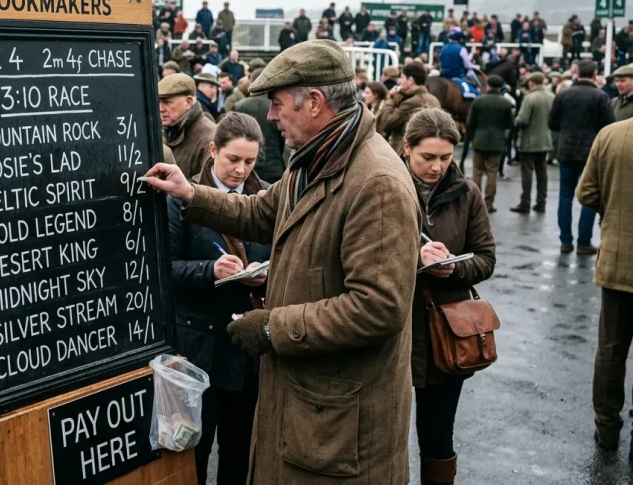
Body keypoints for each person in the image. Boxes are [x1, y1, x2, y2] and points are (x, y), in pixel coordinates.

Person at [141, 39, 420, 484]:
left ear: (314, 103)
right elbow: (261, 211)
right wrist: (190, 194)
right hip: (309, 401)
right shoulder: (313, 160)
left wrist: (273, 327)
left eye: (276, 104)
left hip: (339, 420)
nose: (269, 117)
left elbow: (378, 308)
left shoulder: (377, 183)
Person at [169, 113, 269, 485]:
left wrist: (265, 274)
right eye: (233, 159)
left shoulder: (267, 198)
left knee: (240, 451)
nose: (241, 170)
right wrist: (209, 271)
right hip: (198, 348)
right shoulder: (180, 200)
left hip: (247, 349)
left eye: (250, 161)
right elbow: (166, 270)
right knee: (193, 450)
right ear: (213, 150)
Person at [403, 108, 496, 485]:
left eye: (446, 157)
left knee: (438, 434)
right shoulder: (383, 184)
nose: (438, 166)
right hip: (394, 324)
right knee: (379, 434)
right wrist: (414, 259)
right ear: (406, 148)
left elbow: (486, 257)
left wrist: (454, 268)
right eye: (428, 157)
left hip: (446, 332)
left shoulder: (467, 192)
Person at [577, 112, 633, 455]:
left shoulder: (612, 134)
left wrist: (612, 215)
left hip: (618, 261)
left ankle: (607, 428)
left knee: (611, 351)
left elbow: (587, 193)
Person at [549, 60, 615, 254]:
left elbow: (552, 123)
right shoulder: (601, 96)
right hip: (591, 152)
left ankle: (565, 242)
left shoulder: (563, 94)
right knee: (590, 196)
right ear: (594, 74)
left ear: (576, 72)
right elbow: (609, 125)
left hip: (566, 150)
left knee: (565, 195)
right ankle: (584, 242)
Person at [466, 75, 514, 212]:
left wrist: (473, 135)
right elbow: (509, 124)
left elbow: (470, 122)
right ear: (500, 87)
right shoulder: (505, 103)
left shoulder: (478, 100)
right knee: (492, 173)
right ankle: (489, 203)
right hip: (497, 141)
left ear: (487, 85)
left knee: (477, 171)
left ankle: (475, 202)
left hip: (479, 140)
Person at [376, 62, 441, 154]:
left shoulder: (412, 102)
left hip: (404, 153)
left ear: (410, 80)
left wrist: (390, 99)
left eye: (402, 77)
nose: (399, 81)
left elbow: (387, 122)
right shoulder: (433, 99)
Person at [159, 73, 215, 179]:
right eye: (158, 102)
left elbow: (208, 185)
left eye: (167, 102)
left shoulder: (209, 138)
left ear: (188, 102)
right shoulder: (165, 130)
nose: (161, 109)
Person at [511, 72, 553, 214]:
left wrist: (515, 120)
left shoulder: (529, 98)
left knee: (527, 172)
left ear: (531, 83)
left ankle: (525, 202)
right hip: (545, 139)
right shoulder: (551, 96)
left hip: (529, 140)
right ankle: (541, 202)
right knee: (542, 172)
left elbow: (522, 120)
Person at [235, 68, 285, 183]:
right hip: (274, 168)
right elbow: (284, 140)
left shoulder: (240, 106)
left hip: (247, 168)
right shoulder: (277, 106)